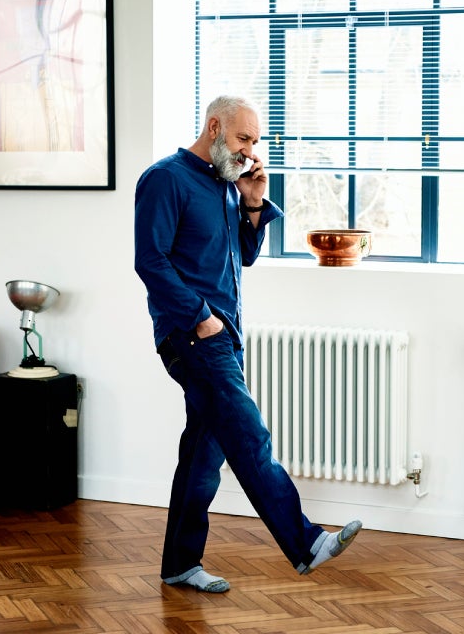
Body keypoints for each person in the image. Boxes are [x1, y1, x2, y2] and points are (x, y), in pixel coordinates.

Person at [134, 95, 361, 594]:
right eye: (243, 139)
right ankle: (305, 544)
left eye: (255, 142)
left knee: (203, 454)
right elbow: (150, 261)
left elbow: (246, 256)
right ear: (214, 127)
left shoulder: (227, 184)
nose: (250, 151)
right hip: (192, 336)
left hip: (226, 338)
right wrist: (200, 320)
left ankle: (179, 563)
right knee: (250, 437)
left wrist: (254, 199)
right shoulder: (164, 179)